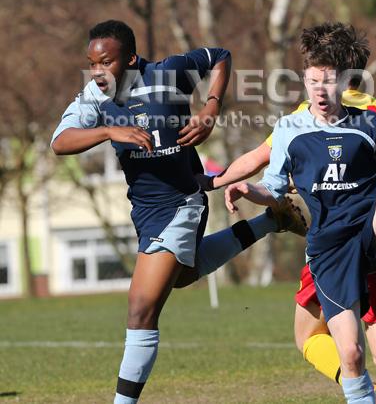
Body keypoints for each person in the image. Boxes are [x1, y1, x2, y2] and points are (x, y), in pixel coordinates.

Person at [51, 20, 306, 404]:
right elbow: (59, 142)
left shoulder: (168, 74)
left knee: (140, 309)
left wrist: (210, 108)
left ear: (131, 59)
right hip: (145, 211)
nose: (97, 72)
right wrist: (107, 131)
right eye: (92, 63)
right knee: (183, 275)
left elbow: (220, 57)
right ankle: (270, 221)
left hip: (181, 203)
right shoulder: (95, 97)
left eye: (106, 62)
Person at [214, 23, 376, 404]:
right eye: (313, 80)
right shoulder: (291, 127)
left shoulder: (367, 121)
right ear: (303, 81)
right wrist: (243, 188)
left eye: (329, 80)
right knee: (354, 353)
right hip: (331, 248)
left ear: (343, 81)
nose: (321, 89)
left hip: (373, 234)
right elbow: (272, 186)